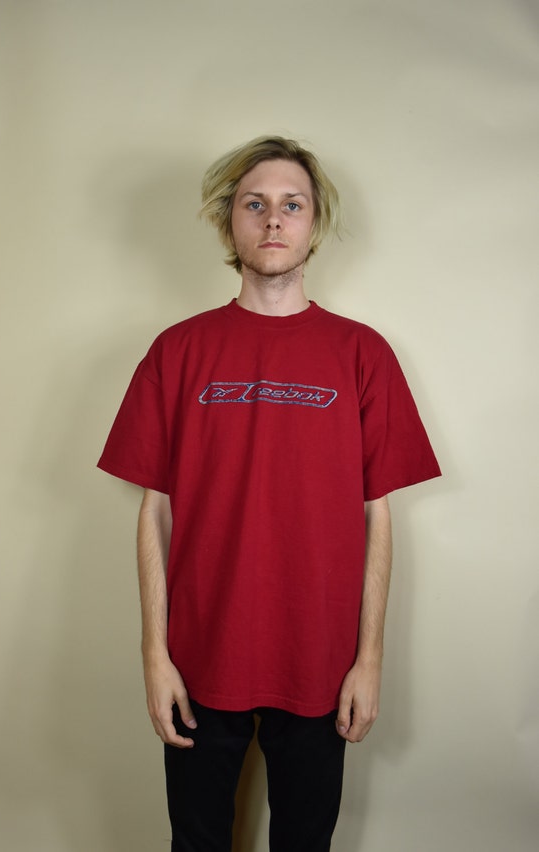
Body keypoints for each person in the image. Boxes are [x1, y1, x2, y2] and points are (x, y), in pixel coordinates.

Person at [98, 136, 441, 851]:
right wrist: (155, 655)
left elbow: (376, 515)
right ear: (230, 222)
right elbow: (155, 511)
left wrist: (368, 659)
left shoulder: (363, 353)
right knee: (195, 842)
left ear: (315, 223)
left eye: (293, 205)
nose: (274, 219)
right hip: (199, 659)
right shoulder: (177, 350)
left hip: (321, 663)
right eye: (255, 204)